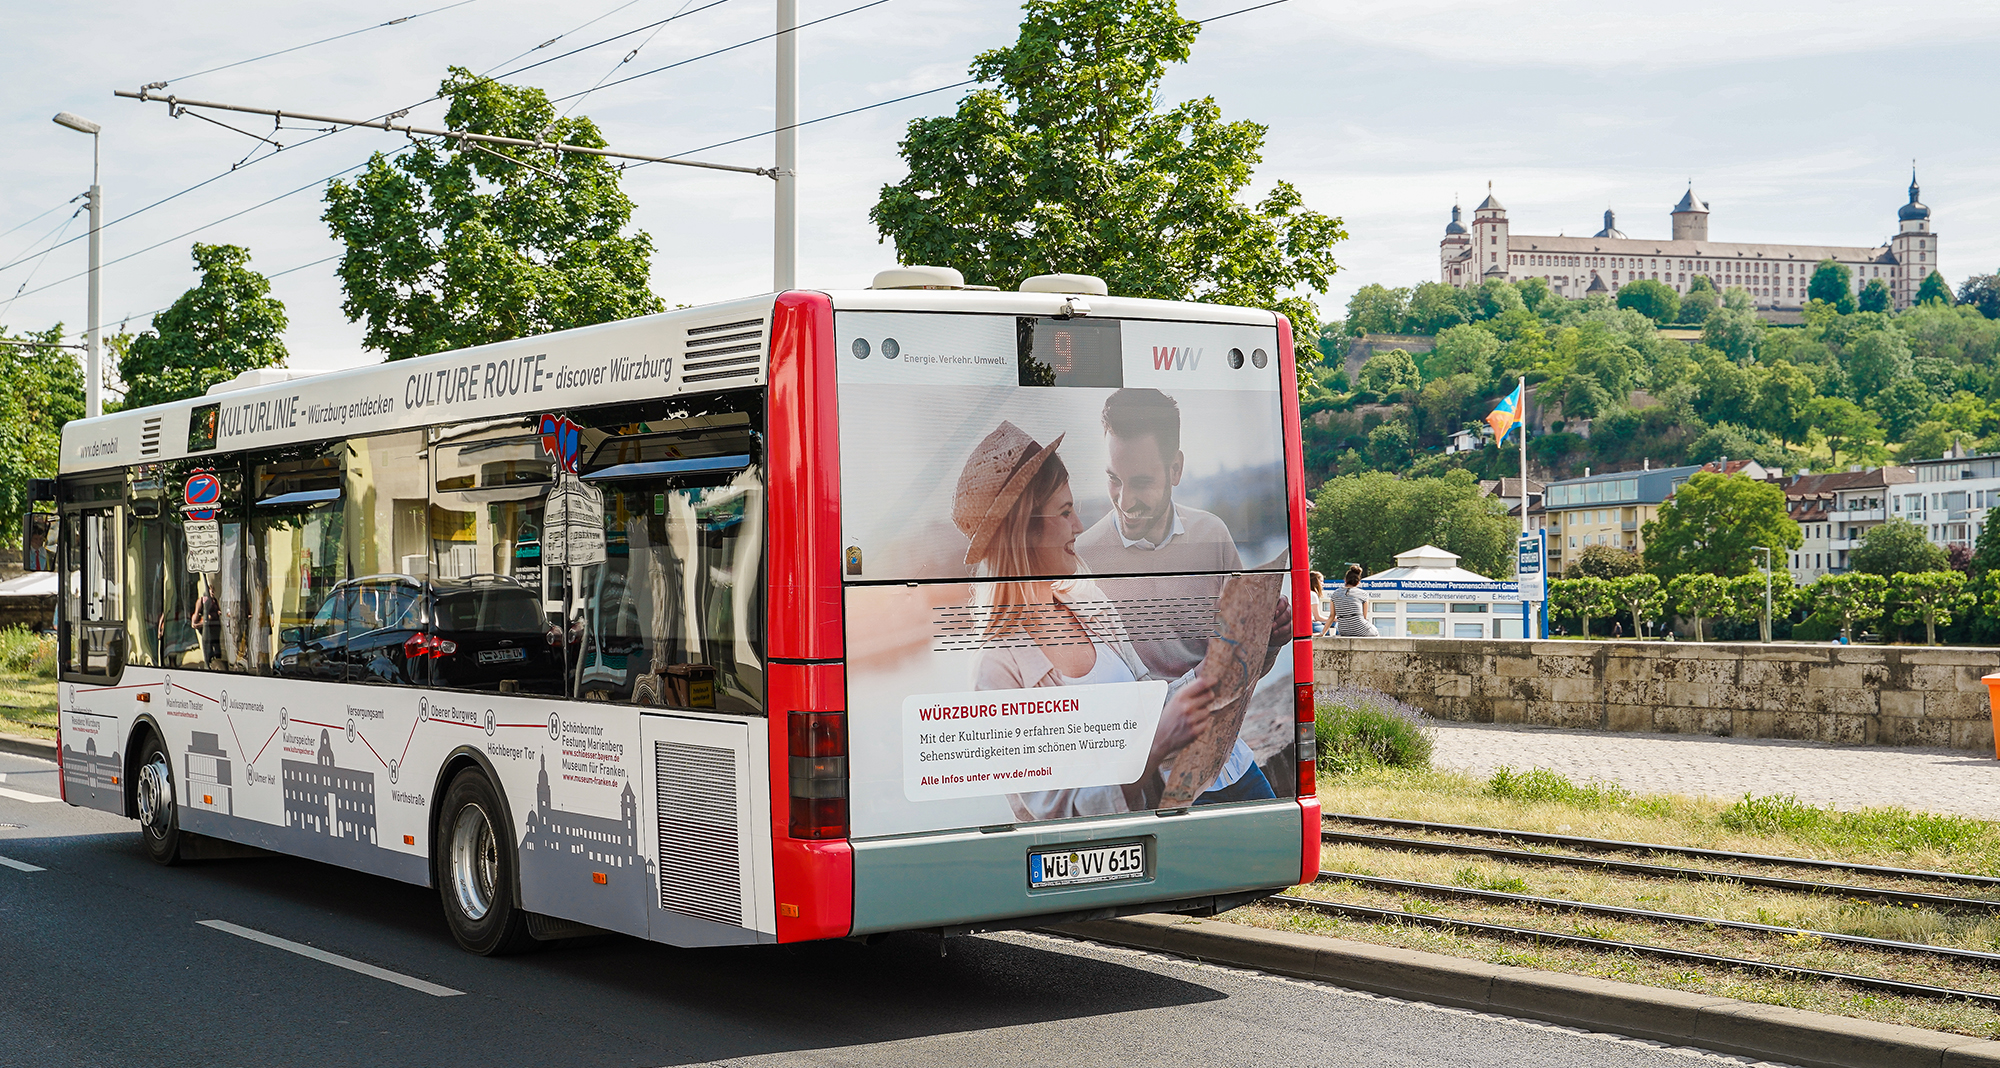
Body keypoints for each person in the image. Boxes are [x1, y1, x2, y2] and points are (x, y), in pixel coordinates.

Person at [953, 421, 1234, 819]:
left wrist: (1235, 649)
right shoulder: (995, 667)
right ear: (1025, 531)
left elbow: (1156, 706)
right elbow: (1053, 811)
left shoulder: (1091, 605)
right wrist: (1152, 749)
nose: (1079, 527)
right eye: (1065, 512)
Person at [1329, 565, 1379, 637]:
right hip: (1360, 629)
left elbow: (1332, 616)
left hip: (1343, 630)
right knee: (1375, 631)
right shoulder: (1363, 594)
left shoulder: (1335, 594)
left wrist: (1322, 633)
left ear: (1345, 580)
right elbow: (1364, 616)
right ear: (1358, 582)